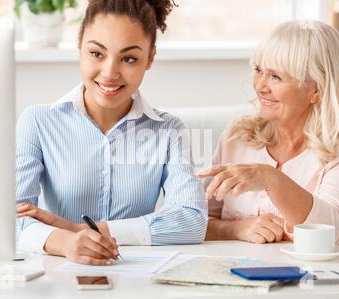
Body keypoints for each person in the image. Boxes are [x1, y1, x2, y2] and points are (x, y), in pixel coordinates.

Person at [15, 0, 207, 265]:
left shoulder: (168, 130)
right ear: (79, 45)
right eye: (97, 54)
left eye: (129, 58)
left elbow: (192, 221)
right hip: (61, 274)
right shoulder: (37, 122)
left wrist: (86, 231)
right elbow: (11, 221)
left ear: (150, 57)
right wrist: (66, 242)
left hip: (140, 281)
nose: (109, 73)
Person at [197, 20, 339, 257]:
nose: (260, 86)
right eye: (258, 71)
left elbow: (330, 232)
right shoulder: (238, 135)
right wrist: (236, 229)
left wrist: (270, 178)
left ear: (315, 89)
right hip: (257, 281)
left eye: (275, 77)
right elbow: (196, 220)